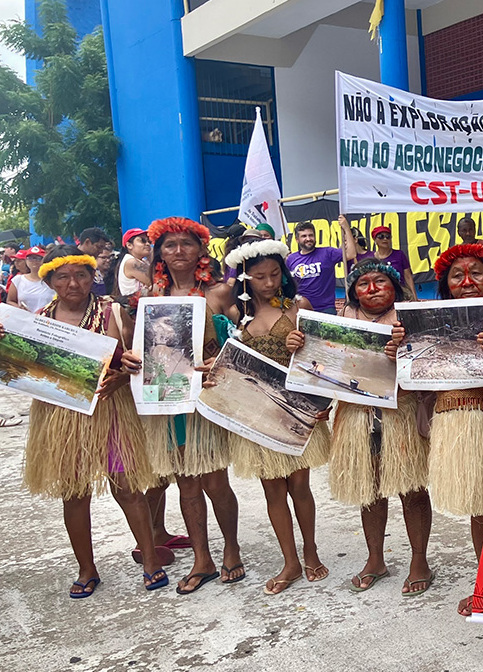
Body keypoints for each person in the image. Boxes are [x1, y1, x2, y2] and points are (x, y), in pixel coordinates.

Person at [19, 246, 166, 597]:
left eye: (81, 274)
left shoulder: (112, 311)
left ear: (92, 276)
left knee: (127, 488)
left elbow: (143, 356)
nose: (73, 283)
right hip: (62, 418)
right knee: (75, 494)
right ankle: (87, 568)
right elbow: (26, 370)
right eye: (63, 276)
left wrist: (129, 367)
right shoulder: (39, 321)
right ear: (50, 280)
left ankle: (150, 560)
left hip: (112, 413)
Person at [393, 242, 483, 616]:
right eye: (457, 275)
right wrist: (400, 350)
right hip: (460, 417)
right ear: (445, 283)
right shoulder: (428, 318)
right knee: (481, 506)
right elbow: (413, 379)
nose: (467, 281)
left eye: (477, 273)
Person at [296, 259, 434, 595]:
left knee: (412, 490)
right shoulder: (344, 318)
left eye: (380, 281)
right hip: (357, 415)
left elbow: (430, 364)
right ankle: (376, 559)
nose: (372, 289)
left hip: (401, 411)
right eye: (363, 284)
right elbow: (326, 365)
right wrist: (299, 347)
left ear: (394, 285)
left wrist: (407, 347)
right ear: (354, 291)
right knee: (368, 491)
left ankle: (420, 561)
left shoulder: (410, 315)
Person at [138, 217, 245, 592]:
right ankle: (203, 558)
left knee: (215, 482)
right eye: (170, 245)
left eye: (187, 243)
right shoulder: (152, 298)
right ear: (159, 253)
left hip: (207, 398)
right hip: (169, 400)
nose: (178, 251)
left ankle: (231, 547)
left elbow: (240, 343)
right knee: (185, 484)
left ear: (202, 250)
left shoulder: (219, 293)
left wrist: (219, 361)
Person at [225, 239, 331, 595]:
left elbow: (321, 358)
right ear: (245, 279)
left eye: (274, 274)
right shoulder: (238, 315)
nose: (269, 283)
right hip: (256, 412)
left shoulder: (297, 306)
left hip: (296, 408)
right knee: (273, 489)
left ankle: (311, 550)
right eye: (259, 277)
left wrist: (302, 348)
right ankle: (290, 561)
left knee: (300, 486)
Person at [339, 215, 416, 300]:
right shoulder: (371, 257)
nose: (385, 239)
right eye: (381, 236)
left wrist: (414, 297)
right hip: (380, 295)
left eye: (388, 237)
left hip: (399, 293)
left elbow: (408, 277)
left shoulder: (399, 254)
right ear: (375, 239)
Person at [286, 221, 357, 314]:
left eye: (311, 235)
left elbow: (351, 254)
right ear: (297, 239)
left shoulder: (327, 252)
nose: (308, 239)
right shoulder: (291, 259)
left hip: (326, 309)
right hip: (302, 309)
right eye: (304, 236)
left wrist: (346, 228)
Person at [7, 246, 55, 313]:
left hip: (47, 321)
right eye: (30, 258)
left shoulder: (52, 281)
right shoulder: (18, 280)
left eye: (38, 258)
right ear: (26, 260)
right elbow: (10, 301)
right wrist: (20, 308)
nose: (34, 261)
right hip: (24, 320)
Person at [116, 228, 152, 298]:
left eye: (149, 241)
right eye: (142, 241)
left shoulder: (143, 261)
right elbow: (157, 281)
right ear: (129, 245)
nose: (148, 244)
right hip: (133, 307)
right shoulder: (131, 262)